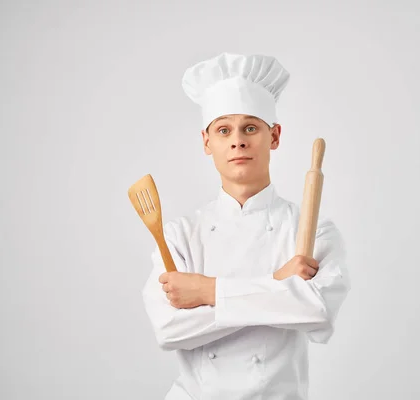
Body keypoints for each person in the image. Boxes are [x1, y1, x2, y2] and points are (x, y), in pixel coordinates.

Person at [141, 52, 352, 400]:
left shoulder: (313, 231)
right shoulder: (178, 235)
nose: (238, 140)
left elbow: (318, 313)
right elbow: (169, 329)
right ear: (207, 142)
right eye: (224, 130)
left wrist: (207, 292)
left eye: (250, 127)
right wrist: (278, 285)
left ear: (275, 136)